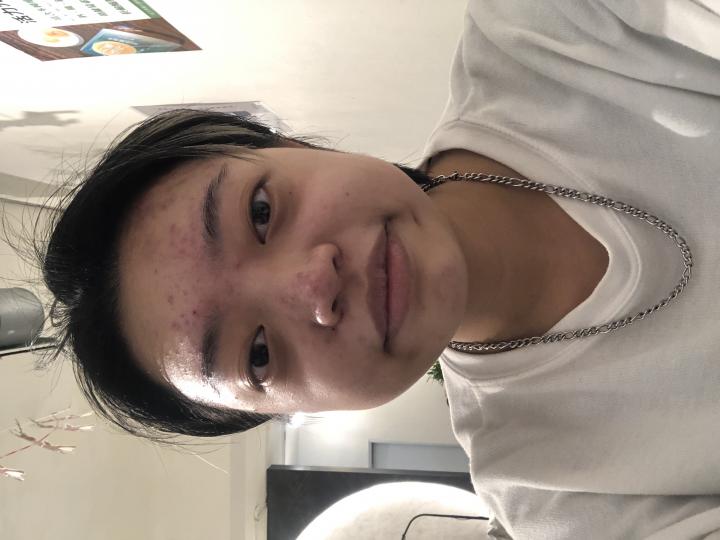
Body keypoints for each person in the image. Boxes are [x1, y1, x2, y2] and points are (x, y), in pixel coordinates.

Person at [36, 1, 720, 538]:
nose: (314, 285)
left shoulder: (552, 28)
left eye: (262, 212)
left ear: (291, 144)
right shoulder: (564, 499)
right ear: (294, 411)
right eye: (259, 352)